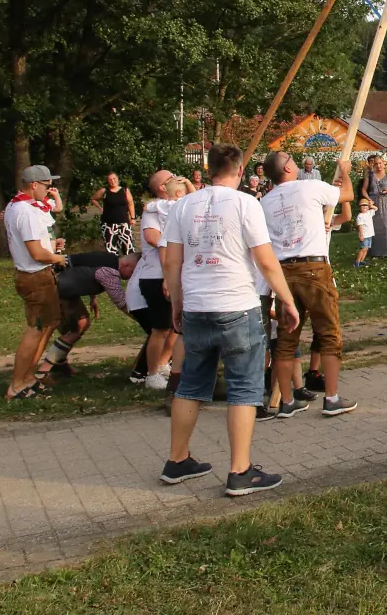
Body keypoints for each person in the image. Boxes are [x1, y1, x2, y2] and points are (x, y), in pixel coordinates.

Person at [160, 144, 301, 497]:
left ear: (208, 170)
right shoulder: (245, 204)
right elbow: (266, 261)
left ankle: (177, 461)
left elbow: (172, 263)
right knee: (243, 388)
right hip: (237, 306)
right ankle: (240, 470)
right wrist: (286, 299)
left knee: (190, 385)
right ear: (240, 171)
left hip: (196, 306)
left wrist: (178, 303)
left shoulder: (183, 205)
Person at [260, 151, 356, 419]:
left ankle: (287, 402)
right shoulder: (309, 187)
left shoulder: (265, 203)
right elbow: (347, 194)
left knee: (286, 338)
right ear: (288, 168)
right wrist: (344, 169)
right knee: (328, 332)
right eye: (290, 159)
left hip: (283, 273)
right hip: (313, 268)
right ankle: (332, 398)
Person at [3, 165, 69, 400]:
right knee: (35, 330)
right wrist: (58, 257)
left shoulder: (16, 206)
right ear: (33, 185)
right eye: (46, 185)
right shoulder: (26, 212)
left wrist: (52, 247)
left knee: (46, 326)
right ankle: (17, 385)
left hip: (36, 275)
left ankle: (28, 378)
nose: (49, 189)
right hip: (36, 277)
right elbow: (37, 254)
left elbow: (37, 245)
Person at [127, 171, 184, 390]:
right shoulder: (153, 211)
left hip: (175, 272)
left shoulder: (177, 206)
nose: (177, 177)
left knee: (175, 326)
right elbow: (153, 238)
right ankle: (150, 374)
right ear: (162, 187)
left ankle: (162, 364)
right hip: (156, 274)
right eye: (171, 177)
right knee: (160, 327)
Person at [91, 172, 137, 256]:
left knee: (128, 247)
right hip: (108, 224)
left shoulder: (125, 190)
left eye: (114, 179)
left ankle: (130, 267)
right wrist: (100, 208)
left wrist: (133, 218)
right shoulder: (104, 191)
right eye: (110, 180)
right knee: (111, 249)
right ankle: (113, 267)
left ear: (117, 179)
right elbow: (93, 199)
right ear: (108, 181)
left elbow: (130, 203)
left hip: (124, 223)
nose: (113, 181)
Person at [363, 156, 387, 258]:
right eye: (376, 164)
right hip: (373, 203)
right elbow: (363, 190)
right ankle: (375, 251)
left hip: (386, 203)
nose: (378, 166)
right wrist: (368, 199)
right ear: (373, 165)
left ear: (384, 164)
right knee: (374, 227)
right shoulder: (370, 176)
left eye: (380, 163)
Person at [353, 199, 375, 266]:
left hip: (369, 234)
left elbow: (376, 208)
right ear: (359, 207)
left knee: (366, 249)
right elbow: (360, 226)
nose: (364, 206)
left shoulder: (369, 213)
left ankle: (362, 260)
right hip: (364, 235)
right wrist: (361, 235)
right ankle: (357, 262)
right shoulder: (360, 216)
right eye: (362, 205)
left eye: (366, 205)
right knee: (363, 249)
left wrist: (371, 205)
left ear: (368, 207)